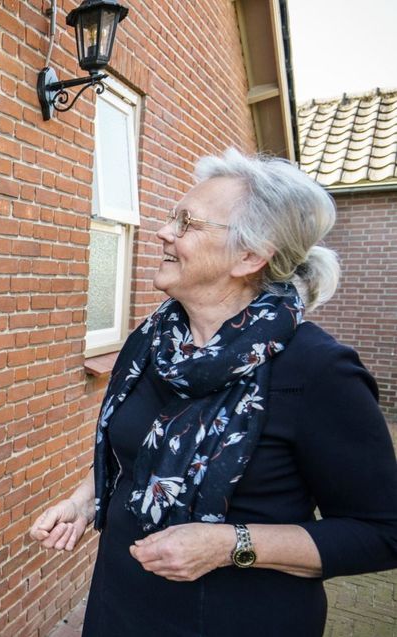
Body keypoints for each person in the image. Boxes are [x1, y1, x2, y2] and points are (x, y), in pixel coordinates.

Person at [29, 149, 397, 636]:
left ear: (249, 256)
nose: (164, 232)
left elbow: (381, 532)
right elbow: (136, 457)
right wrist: (84, 501)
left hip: (236, 618)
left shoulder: (318, 369)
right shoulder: (152, 343)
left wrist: (230, 544)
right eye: (171, 219)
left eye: (187, 224)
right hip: (121, 605)